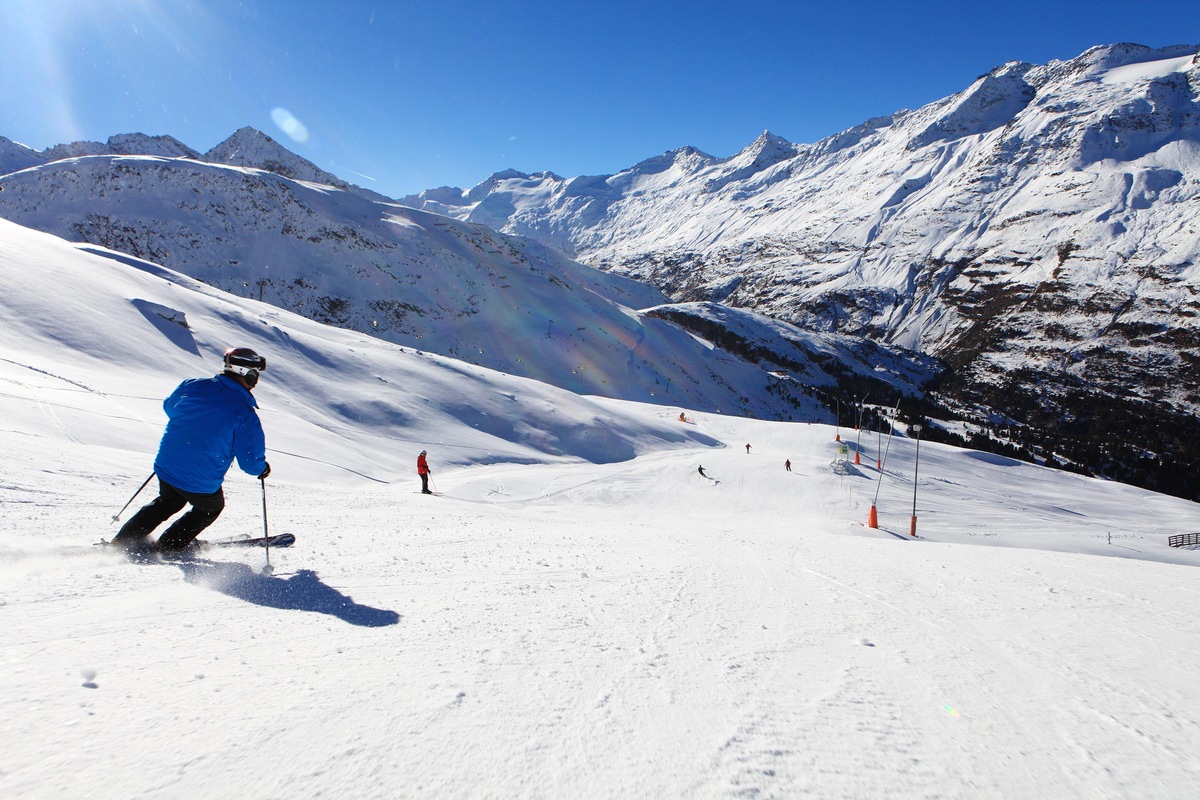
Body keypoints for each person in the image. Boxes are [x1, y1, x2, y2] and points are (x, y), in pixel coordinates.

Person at [112, 347, 270, 552]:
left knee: (168, 502)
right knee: (209, 508)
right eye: (254, 375)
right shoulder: (244, 413)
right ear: (245, 374)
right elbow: (250, 462)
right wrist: (262, 468)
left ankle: (121, 542)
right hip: (200, 480)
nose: (255, 381)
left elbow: (170, 407)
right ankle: (169, 546)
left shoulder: (192, 385)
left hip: (167, 466)